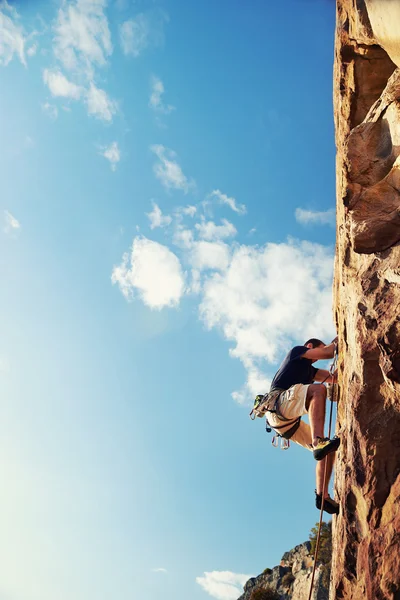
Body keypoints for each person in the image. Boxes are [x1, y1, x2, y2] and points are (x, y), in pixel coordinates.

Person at [266, 337, 339, 514]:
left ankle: (322, 496)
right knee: (318, 390)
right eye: (316, 351)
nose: (316, 358)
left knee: (328, 452)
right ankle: (318, 440)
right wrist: (338, 340)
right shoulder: (296, 353)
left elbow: (334, 378)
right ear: (309, 347)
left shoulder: (310, 372)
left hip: (286, 423)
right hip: (278, 405)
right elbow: (328, 352)